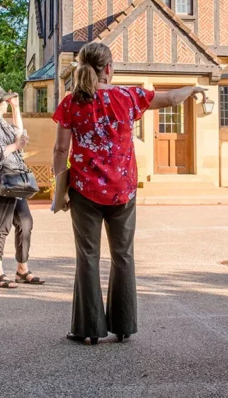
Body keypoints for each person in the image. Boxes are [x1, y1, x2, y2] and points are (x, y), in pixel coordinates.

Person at [52, 42, 205, 345]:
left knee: (88, 257)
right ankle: (123, 327)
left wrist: (61, 188)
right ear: (108, 69)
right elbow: (172, 97)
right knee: (123, 255)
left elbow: (60, 149)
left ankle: (88, 329)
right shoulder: (129, 96)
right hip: (122, 191)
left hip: (84, 190)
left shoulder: (72, 102)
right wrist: (194, 87)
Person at [0, 85, 43, 290]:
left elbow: (18, 132)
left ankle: (22, 270)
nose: (7, 103)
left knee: (25, 223)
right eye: (5, 101)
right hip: (1, 181)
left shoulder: (0, 121)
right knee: (1, 226)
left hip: (14, 180)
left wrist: (16, 108)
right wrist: (16, 146)